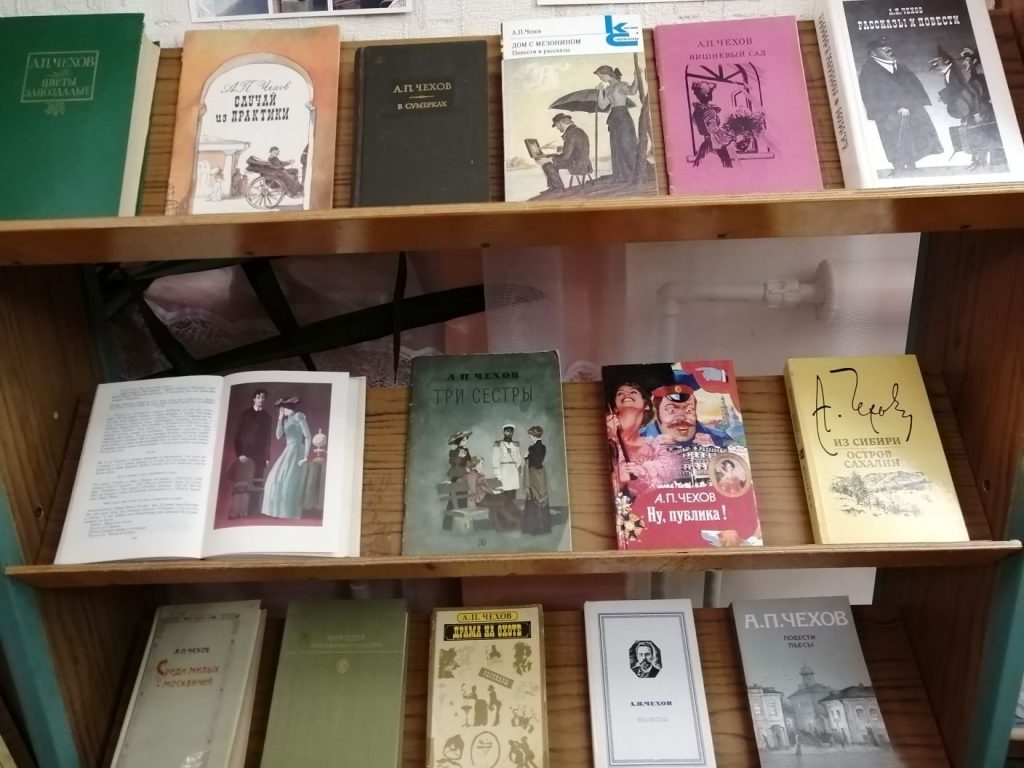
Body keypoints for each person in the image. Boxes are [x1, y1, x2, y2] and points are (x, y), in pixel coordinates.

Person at [858, 37, 942, 174]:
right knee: (893, 138)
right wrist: (896, 107)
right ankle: (897, 167)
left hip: (910, 108)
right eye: (883, 48)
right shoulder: (868, 72)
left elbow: (914, 87)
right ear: (873, 53)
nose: (888, 49)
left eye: (888, 47)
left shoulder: (901, 68)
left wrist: (907, 105)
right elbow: (870, 94)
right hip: (886, 113)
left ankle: (911, 165)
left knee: (913, 135)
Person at [261, 396, 311, 519]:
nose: (282, 410)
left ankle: (290, 511)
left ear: (289, 407)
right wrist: (280, 419)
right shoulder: (286, 420)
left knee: (289, 480)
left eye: (283, 408)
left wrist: (305, 455)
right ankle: (280, 511)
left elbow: (308, 436)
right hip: (288, 450)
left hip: (297, 450)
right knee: (275, 478)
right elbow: (278, 436)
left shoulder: (298, 416)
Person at [641, 384, 734, 449]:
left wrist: (716, 451)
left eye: (689, 410)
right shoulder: (640, 440)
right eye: (672, 411)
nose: (682, 417)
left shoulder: (720, 438)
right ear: (656, 414)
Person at [595, 65, 640, 182]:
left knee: (627, 144)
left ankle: (633, 173)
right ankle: (620, 175)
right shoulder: (608, 89)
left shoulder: (621, 85)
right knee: (616, 147)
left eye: (600, 76)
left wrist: (636, 77)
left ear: (606, 74)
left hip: (623, 116)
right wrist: (600, 91)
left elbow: (633, 91)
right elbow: (602, 105)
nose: (600, 78)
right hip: (614, 117)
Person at [232, 389, 272, 517]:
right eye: (258, 397)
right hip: (246, 454)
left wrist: (267, 457)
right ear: (254, 399)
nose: (261, 400)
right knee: (244, 481)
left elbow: (268, 439)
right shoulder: (245, 414)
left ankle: (253, 511)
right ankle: (240, 510)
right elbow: (237, 435)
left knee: (257, 482)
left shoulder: (267, 417)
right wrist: (240, 453)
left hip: (260, 455)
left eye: (263, 397)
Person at [537, 113, 592, 191]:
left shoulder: (570, 133)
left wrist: (549, 159)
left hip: (577, 165)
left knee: (547, 165)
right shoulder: (578, 130)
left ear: (560, 123)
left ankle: (557, 188)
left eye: (556, 126)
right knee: (551, 158)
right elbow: (574, 149)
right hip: (585, 164)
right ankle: (552, 187)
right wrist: (554, 147)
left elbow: (566, 155)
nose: (557, 128)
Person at [690, 81, 734, 168]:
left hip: (708, 143)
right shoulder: (708, 111)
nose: (711, 95)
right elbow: (712, 130)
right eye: (710, 92)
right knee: (725, 167)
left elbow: (705, 128)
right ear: (706, 95)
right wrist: (729, 137)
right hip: (714, 143)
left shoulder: (698, 111)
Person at [491, 423, 523, 531]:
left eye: (511, 431)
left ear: (512, 432)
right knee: (503, 499)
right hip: (503, 472)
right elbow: (495, 460)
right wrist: (498, 475)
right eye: (507, 431)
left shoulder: (516, 445)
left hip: (513, 473)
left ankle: (511, 522)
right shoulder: (498, 444)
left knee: (512, 498)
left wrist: (518, 468)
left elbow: (518, 458)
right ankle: (503, 522)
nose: (509, 433)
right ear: (504, 432)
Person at [521, 426, 551, 535]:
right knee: (540, 497)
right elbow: (538, 461)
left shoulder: (533, 448)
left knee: (533, 497)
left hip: (534, 474)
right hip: (540, 474)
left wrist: (527, 457)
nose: (530, 437)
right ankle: (543, 527)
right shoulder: (543, 447)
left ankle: (533, 528)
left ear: (533, 436)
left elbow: (535, 462)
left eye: (530, 435)